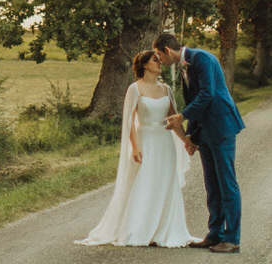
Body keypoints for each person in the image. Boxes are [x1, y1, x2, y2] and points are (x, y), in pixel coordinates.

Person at [75, 50, 201, 248]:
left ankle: (164, 229)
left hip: (164, 143)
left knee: (165, 183)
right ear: (144, 65)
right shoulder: (135, 88)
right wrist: (135, 147)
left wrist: (186, 140)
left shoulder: (166, 89)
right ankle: (139, 229)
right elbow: (130, 122)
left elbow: (174, 120)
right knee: (145, 182)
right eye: (155, 60)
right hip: (146, 140)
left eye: (160, 60)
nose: (159, 63)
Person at [155, 31, 245, 254]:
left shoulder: (202, 58)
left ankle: (232, 238)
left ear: (167, 50)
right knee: (212, 186)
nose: (160, 61)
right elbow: (194, 102)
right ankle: (214, 235)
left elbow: (207, 95)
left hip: (222, 128)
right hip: (204, 132)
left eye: (159, 55)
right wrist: (190, 136)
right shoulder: (184, 68)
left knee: (227, 184)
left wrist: (180, 117)